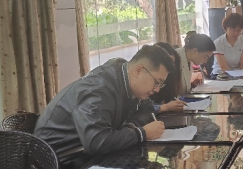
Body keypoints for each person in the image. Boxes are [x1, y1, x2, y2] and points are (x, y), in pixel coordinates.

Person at [34, 45, 174, 161]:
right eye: (157, 82)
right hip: (57, 161)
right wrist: (141, 133)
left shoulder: (129, 80)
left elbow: (147, 110)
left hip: (88, 154)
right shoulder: (98, 88)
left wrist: (129, 128)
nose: (157, 89)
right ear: (138, 70)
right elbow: (96, 141)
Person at [151, 42, 186, 113]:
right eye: (166, 64)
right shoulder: (148, 80)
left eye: (172, 63)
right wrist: (165, 107)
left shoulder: (169, 78)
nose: (170, 67)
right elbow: (143, 109)